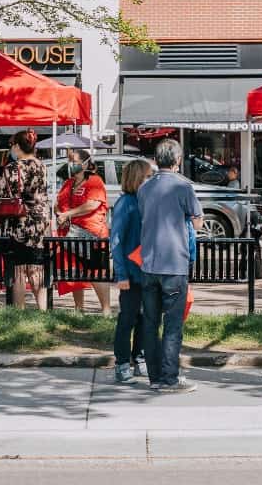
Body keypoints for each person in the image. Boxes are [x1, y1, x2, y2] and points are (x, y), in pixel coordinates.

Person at [137, 138, 202, 394]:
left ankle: (155, 377)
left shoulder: (144, 188)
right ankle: (170, 378)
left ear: (156, 160)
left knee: (150, 323)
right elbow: (196, 223)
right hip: (174, 263)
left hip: (149, 262)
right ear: (177, 160)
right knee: (173, 324)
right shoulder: (184, 187)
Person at [0, 129, 51, 309]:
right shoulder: (42, 166)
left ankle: (19, 310)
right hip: (40, 220)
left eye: (12, 145)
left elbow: (3, 193)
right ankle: (43, 309)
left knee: (18, 268)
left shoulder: (13, 167)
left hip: (19, 220)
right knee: (36, 267)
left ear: (18, 146)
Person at [110, 159, 152, 384]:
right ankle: (122, 362)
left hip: (147, 271)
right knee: (128, 318)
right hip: (131, 271)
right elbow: (116, 240)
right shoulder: (126, 203)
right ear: (137, 178)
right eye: (147, 176)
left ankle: (140, 357)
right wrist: (121, 274)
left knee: (145, 318)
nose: (150, 180)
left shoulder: (146, 201)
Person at [56, 148, 112, 314]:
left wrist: (68, 214)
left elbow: (92, 204)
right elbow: (58, 202)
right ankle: (79, 310)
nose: (71, 164)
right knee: (75, 273)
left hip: (92, 234)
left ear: (86, 163)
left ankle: (106, 310)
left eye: (74, 161)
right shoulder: (68, 183)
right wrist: (59, 213)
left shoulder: (95, 181)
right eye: (69, 161)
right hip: (71, 234)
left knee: (96, 273)